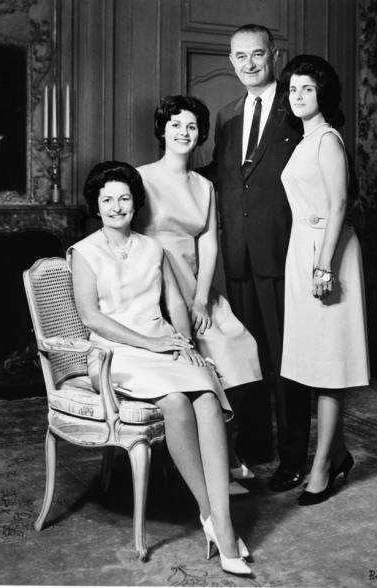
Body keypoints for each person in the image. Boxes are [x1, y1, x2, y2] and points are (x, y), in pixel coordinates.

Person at [68, 160, 252, 575]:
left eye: (125, 199)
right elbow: (92, 318)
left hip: (161, 346)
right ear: (96, 206)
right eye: (108, 199)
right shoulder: (84, 252)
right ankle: (216, 518)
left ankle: (217, 519)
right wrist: (152, 343)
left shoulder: (154, 249)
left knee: (205, 395)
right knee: (174, 401)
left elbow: (174, 305)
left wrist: (183, 342)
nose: (117, 206)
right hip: (114, 353)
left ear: (136, 204)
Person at [197, 24, 311, 491]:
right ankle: (257, 445)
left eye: (257, 55)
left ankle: (293, 458)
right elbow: (220, 179)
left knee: (288, 362)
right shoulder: (226, 116)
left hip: (285, 254)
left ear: (275, 56)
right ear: (230, 59)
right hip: (238, 256)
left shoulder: (299, 106)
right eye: (239, 56)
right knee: (249, 358)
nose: (248, 64)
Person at [134, 95, 263, 495]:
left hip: (197, 286)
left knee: (241, 348)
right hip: (154, 285)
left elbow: (209, 245)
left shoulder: (205, 185)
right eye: (176, 125)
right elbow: (132, 240)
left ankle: (224, 449)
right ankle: (218, 462)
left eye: (191, 127)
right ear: (162, 130)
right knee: (203, 361)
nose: (184, 133)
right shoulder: (140, 178)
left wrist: (202, 297)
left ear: (200, 134)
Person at [279, 55, 370, 506]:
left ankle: (322, 468)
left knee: (329, 366)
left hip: (325, 250)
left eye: (307, 90)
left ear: (323, 95)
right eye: (293, 90)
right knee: (309, 360)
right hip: (304, 247)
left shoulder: (328, 140)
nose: (298, 97)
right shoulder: (303, 140)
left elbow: (338, 206)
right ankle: (340, 453)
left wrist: (324, 265)